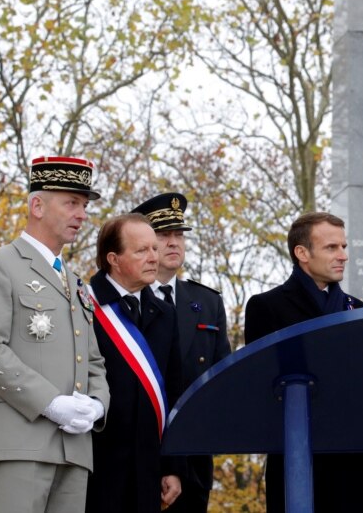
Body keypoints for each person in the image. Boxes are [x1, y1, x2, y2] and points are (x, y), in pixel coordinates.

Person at [0, 155, 109, 513]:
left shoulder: (74, 283)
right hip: (19, 443)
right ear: (37, 205)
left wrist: (98, 404)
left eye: (85, 206)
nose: (82, 215)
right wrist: (51, 403)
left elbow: (93, 361)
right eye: (72, 203)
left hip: (74, 449)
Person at [245, 211, 363, 513]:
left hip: (356, 458)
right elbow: (262, 387)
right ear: (302, 253)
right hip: (298, 456)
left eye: (344, 247)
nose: (343, 256)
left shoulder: (359, 309)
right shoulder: (267, 307)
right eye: (332, 248)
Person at [132, 192, 231, 513]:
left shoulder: (208, 302)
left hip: (193, 451)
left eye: (179, 235)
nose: (174, 242)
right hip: (138, 450)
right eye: (163, 235)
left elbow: (222, 375)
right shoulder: (123, 302)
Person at [84, 214, 185, 512]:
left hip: (148, 469)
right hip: (96, 465)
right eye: (142, 251)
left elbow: (174, 392)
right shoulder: (84, 306)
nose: (154, 257)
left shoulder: (165, 313)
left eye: (154, 249)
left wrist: (173, 465)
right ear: (113, 258)